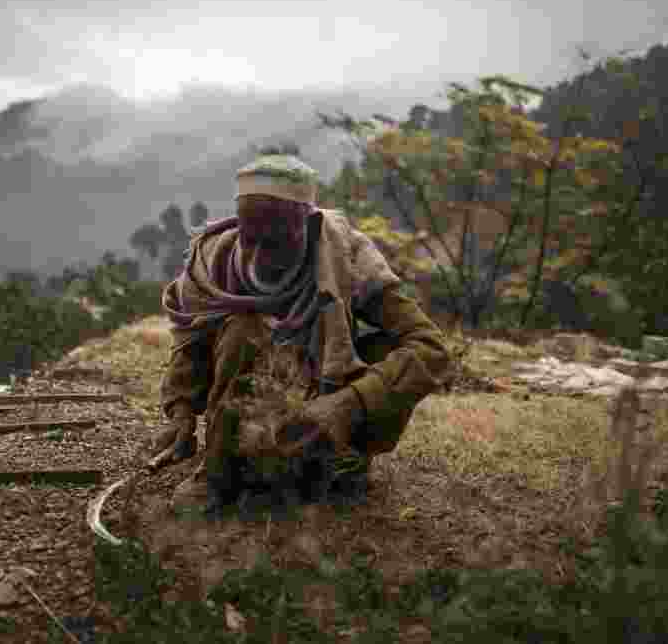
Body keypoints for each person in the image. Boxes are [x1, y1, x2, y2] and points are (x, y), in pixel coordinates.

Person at [148, 152, 450, 514]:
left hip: (325, 398)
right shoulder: (212, 258)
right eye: (250, 236)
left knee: (389, 349)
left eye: (276, 239)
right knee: (242, 329)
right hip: (243, 397)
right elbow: (191, 344)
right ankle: (220, 468)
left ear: (308, 226)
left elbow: (432, 348)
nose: (262, 252)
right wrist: (181, 415)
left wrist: (348, 404)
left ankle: (341, 460)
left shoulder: (348, 255)